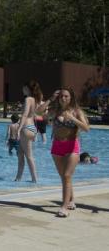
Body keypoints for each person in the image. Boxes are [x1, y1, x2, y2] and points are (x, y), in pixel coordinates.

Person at [48, 88, 90, 217]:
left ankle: (64, 207)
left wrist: (72, 118)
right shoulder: (55, 111)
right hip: (57, 146)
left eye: (66, 96)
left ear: (70, 98)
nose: (63, 98)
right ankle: (71, 200)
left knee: (66, 175)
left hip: (72, 146)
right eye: (61, 96)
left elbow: (86, 128)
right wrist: (51, 99)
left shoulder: (77, 111)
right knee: (64, 177)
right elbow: (37, 112)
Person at [15, 80, 43, 183]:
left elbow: (25, 114)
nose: (22, 90)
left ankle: (35, 179)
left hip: (25, 127)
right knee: (21, 155)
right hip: (32, 128)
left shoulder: (28, 99)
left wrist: (18, 129)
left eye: (23, 88)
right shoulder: (36, 100)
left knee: (28, 156)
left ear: (27, 88)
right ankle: (18, 178)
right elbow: (35, 115)